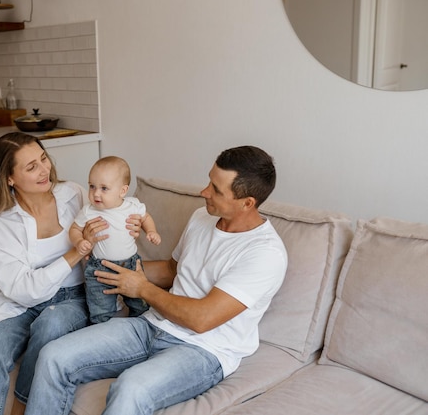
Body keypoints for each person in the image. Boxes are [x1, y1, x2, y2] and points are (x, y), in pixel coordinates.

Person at [25, 145, 289, 415]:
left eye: (216, 189)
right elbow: (174, 270)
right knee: (53, 356)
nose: (203, 192)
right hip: (152, 325)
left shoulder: (265, 254)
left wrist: (141, 288)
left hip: (204, 349)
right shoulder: (202, 217)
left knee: (130, 387)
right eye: (209, 181)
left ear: (247, 203)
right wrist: (115, 263)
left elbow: (202, 320)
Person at [0, 132, 141, 415]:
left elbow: (113, 213)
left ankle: (21, 407)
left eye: (43, 158)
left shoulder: (72, 194)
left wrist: (129, 227)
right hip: (17, 303)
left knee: (52, 323)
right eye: (31, 166)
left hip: (73, 297)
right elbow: (22, 290)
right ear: (9, 178)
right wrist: (74, 254)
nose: (44, 169)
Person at [70, 156, 161, 323]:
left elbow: (145, 217)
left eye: (104, 188)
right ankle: (102, 331)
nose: (96, 193)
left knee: (140, 306)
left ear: (123, 191)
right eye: (92, 186)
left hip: (131, 265)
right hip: (100, 268)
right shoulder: (88, 211)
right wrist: (79, 241)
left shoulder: (132, 205)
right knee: (99, 311)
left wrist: (151, 231)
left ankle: (137, 327)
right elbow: (75, 229)